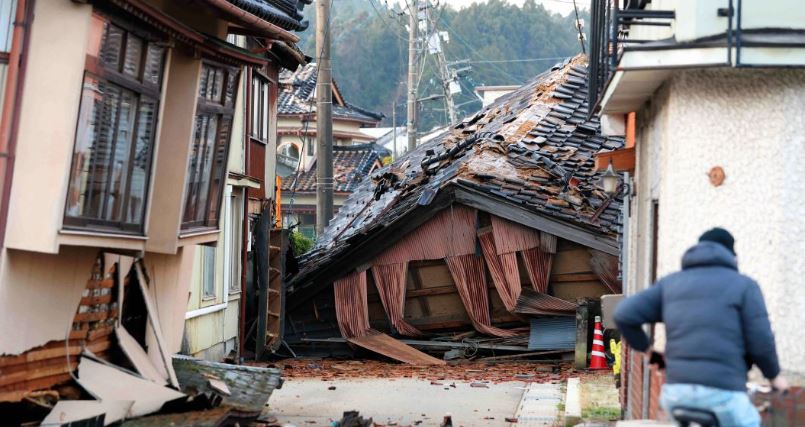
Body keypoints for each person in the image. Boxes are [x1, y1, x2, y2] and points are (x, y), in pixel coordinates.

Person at [614, 227, 787, 426]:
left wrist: (650, 353)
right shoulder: (744, 286)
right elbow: (761, 341)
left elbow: (623, 314)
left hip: (676, 394)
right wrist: (774, 377)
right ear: (732, 256)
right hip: (724, 392)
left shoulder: (670, 284)